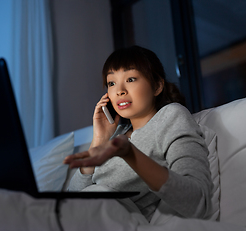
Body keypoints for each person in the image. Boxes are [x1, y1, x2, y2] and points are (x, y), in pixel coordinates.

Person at [64, 45, 213, 222]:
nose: (119, 90)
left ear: (157, 86)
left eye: (131, 79)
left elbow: (197, 201)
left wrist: (131, 155)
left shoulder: (171, 116)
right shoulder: (115, 134)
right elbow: (70, 200)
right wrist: (99, 140)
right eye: (111, 83)